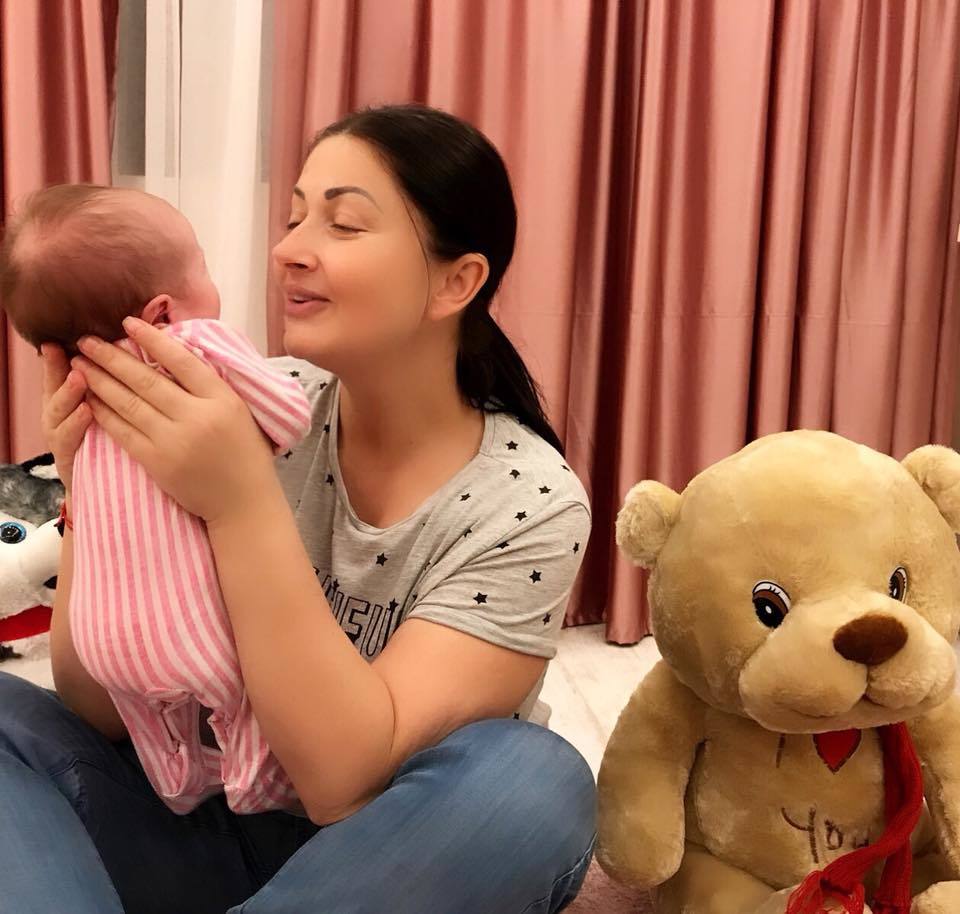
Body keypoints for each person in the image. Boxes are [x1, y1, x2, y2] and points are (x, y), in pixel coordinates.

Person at [0, 103, 597, 914]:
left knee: (532, 780)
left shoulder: (528, 503)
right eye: (294, 217)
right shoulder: (236, 404)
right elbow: (98, 708)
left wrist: (240, 502)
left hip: (381, 862)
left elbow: (341, 784)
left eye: (343, 224)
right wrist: (90, 491)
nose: (287, 250)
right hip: (186, 825)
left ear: (457, 281)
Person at [0, 183, 313, 816]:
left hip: (99, 638)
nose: (287, 251)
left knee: (147, 724)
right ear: (163, 311)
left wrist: (74, 476)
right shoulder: (201, 345)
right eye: (203, 264)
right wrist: (251, 451)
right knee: (239, 700)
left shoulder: (82, 390)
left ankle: (177, 782)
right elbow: (290, 417)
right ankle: (253, 781)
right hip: (191, 630)